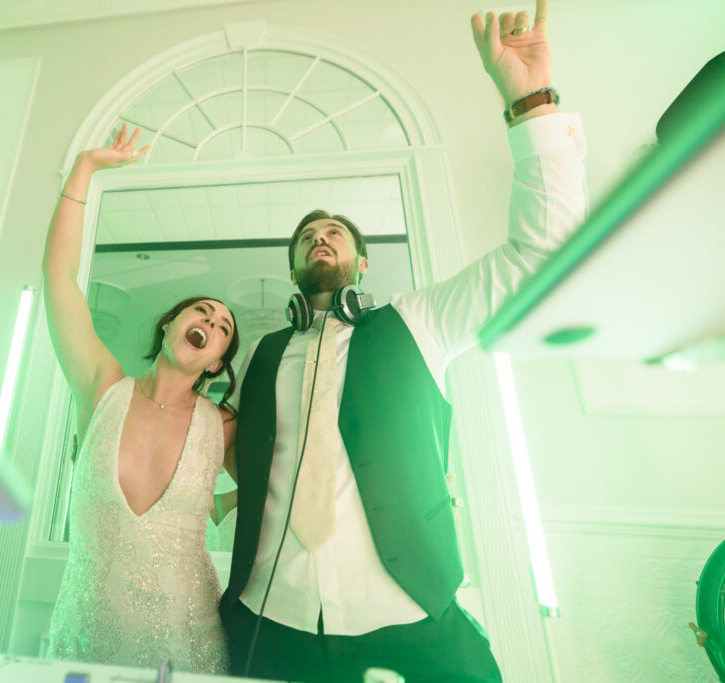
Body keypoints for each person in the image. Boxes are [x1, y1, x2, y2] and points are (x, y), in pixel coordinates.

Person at [218, 1, 587, 682]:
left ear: (362, 265)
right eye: (306, 236)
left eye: (335, 234)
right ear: (292, 270)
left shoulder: (418, 321)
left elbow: (542, 254)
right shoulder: (263, 353)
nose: (319, 237)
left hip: (413, 615)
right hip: (271, 622)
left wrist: (529, 101)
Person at [43, 125, 239, 673]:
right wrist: (84, 168)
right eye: (200, 310)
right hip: (83, 645)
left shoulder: (222, 424)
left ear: (216, 360)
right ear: (172, 322)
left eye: (222, 326)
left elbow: (284, 495)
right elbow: (59, 278)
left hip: (189, 651)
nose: (209, 319)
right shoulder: (102, 387)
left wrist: (219, 505)